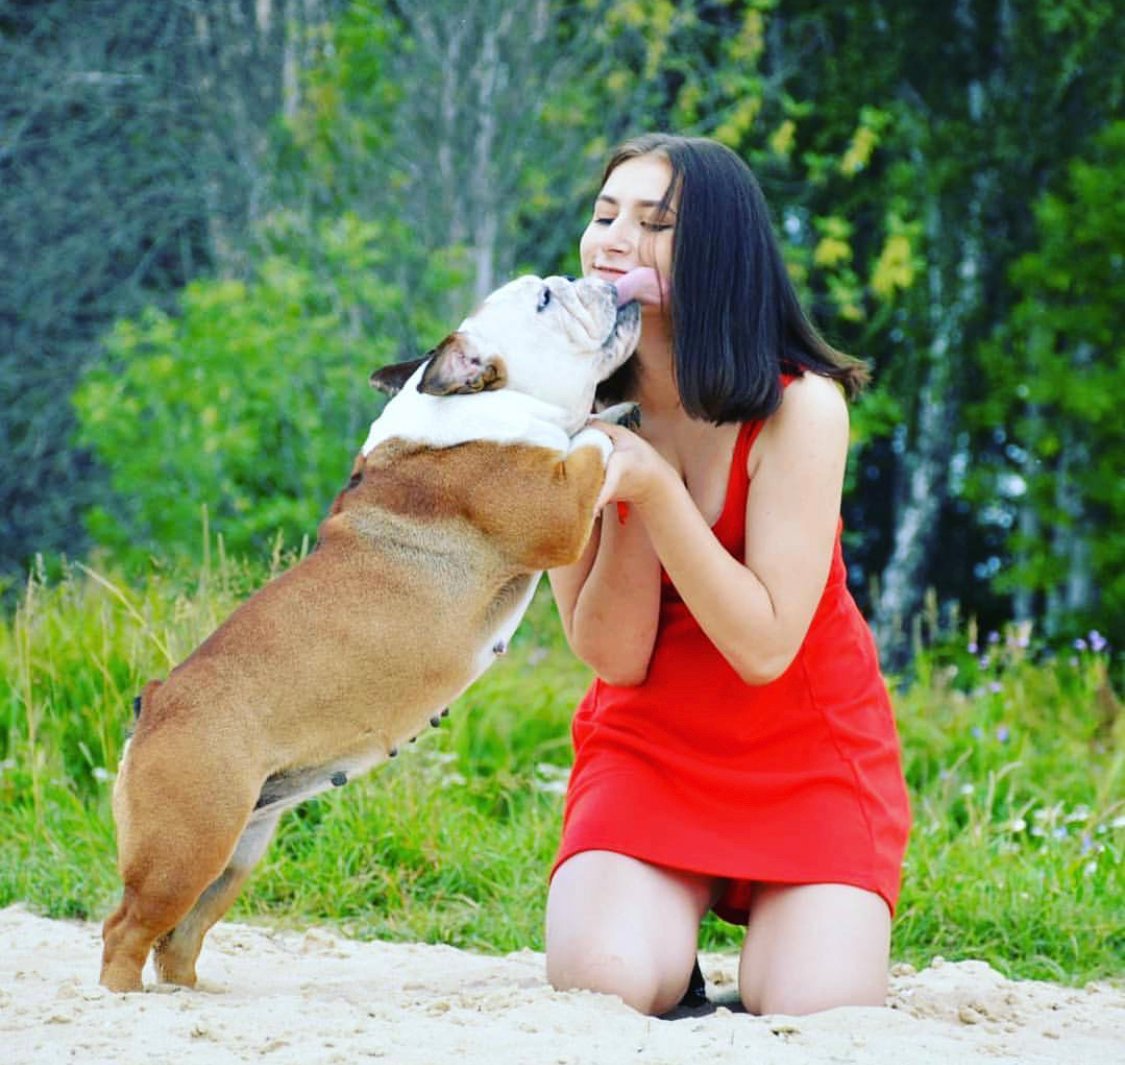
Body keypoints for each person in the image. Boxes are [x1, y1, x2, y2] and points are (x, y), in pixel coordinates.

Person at [544, 133, 911, 1017]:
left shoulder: (802, 406)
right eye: (604, 215)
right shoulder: (562, 407)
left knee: (813, 1006)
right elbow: (614, 656)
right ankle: (667, 950)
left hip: (805, 754)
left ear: (720, 251)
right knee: (605, 978)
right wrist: (628, 469)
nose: (612, 241)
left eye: (653, 223)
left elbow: (763, 647)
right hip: (647, 749)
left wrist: (655, 489)